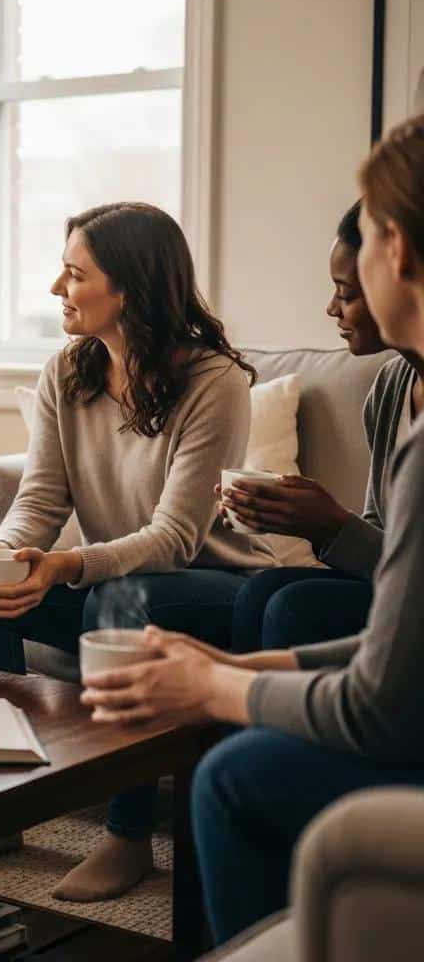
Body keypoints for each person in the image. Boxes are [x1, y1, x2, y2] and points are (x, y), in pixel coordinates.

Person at [80, 114, 424, 946]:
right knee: (272, 607)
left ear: (400, 252)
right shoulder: (399, 406)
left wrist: (211, 688)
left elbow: (384, 700)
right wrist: (234, 667)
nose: (340, 295)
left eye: (366, 245)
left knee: (235, 773)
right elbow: (403, 646)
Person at [0, 203, 274, 902]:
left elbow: (175, 537)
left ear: (130, 289)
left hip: (213, 588)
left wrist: (64, 565)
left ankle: (127, 836)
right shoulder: (69, 368)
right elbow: (40, 499)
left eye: (74, 274)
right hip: (120, 587)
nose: (58, 289)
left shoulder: (216, 382)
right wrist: (9, 548)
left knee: (121, 598)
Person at [225, 201, 424, 653]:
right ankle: (243, 718)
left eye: (347, 293)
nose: (332, 308)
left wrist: (333, 525)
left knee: (293, 607)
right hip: (394, 585)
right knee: (261, 591)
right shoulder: (392, 386)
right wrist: (309, 521)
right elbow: (380, 529)